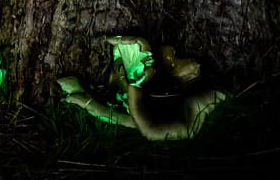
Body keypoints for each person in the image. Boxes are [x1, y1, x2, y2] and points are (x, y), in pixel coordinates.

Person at [57, 35, 228, 140]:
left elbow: (147, 127)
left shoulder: (196, 102)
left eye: (173, 64)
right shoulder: (160, 90)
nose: (194, 64)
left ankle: (81, 95)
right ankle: (80, 93)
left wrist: (91, 105)